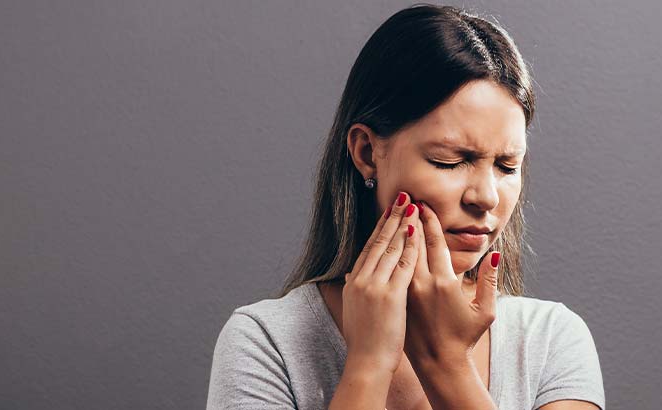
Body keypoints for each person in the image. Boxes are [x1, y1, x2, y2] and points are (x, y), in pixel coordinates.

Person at [207, 3, 604, 409]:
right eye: (450, 161)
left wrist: (446, 364)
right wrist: (368, 365)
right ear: (366, 152)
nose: (485, 197)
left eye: (507, 166)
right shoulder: (266, 343)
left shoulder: (550, 339)